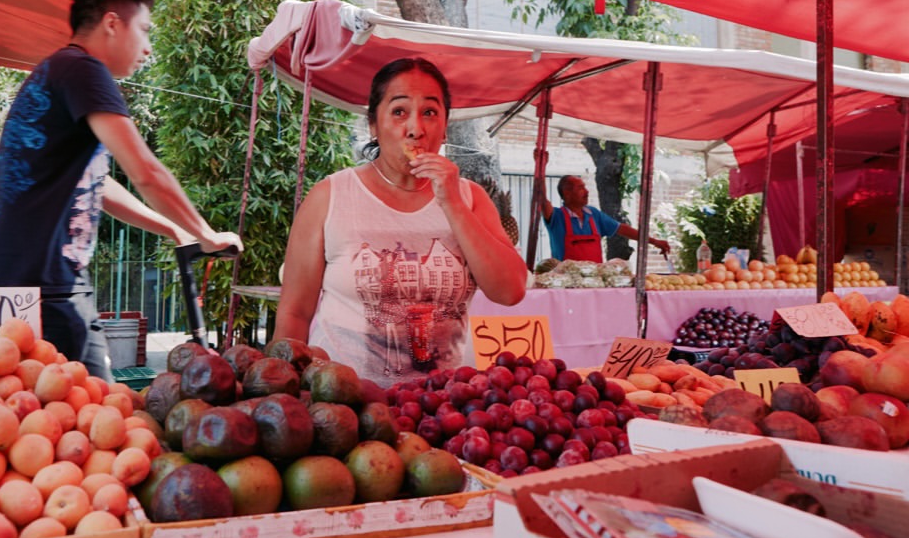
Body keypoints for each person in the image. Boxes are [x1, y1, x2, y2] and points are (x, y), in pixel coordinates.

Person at [0, 0, 242, 380]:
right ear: (112, 23)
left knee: (16, 427)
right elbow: (146, 171)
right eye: (145, 31)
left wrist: (172, 228)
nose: (148, 48)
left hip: (4, 283)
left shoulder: (57, 70)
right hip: (47, 290)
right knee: (94, 419)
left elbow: (99, 187)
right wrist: (206, 234)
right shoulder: (83, 70)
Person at [273, 57, 528, 387]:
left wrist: (451, 203)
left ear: (445, 125)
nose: (415, 129)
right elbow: (295, 312)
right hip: (344, 409)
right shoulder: (330, 196)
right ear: (373, 124)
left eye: (430, 113)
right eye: (399, 112)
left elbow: (510, 291)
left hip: (442, 410)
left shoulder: (469, 198)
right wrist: (283, 390)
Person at [542, 174, 671, 264]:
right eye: (581, 188)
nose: (586, 192)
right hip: (566, 284)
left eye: (585, 187)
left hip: (595, 282)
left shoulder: (594, 214)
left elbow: (623, 229)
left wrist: (654, 241)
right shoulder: (556, 216)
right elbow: (540, 198)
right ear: (567, 192)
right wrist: (540, 169)